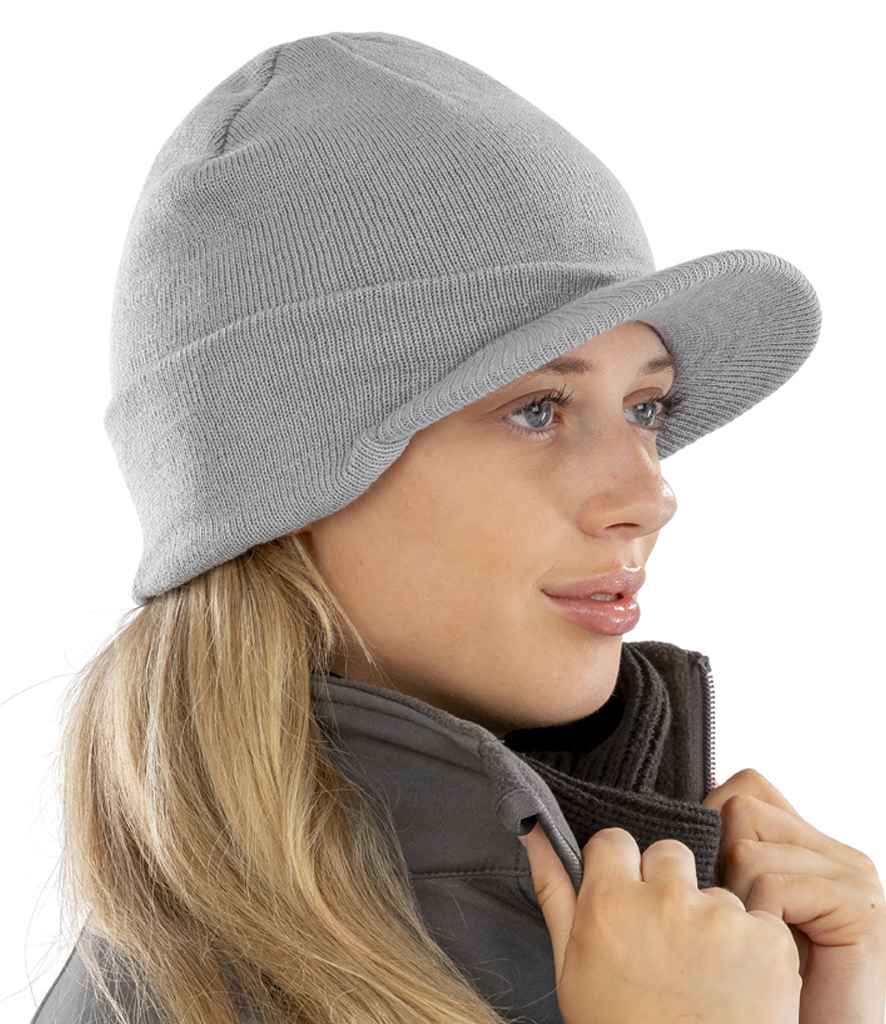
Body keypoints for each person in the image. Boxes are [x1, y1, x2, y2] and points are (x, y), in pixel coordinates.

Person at [32, 28, 866, 1024]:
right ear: (287, 483)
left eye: (645, 408)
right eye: (538, 409)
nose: (649, 495)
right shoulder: (187, 1002)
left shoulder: (661, 953)